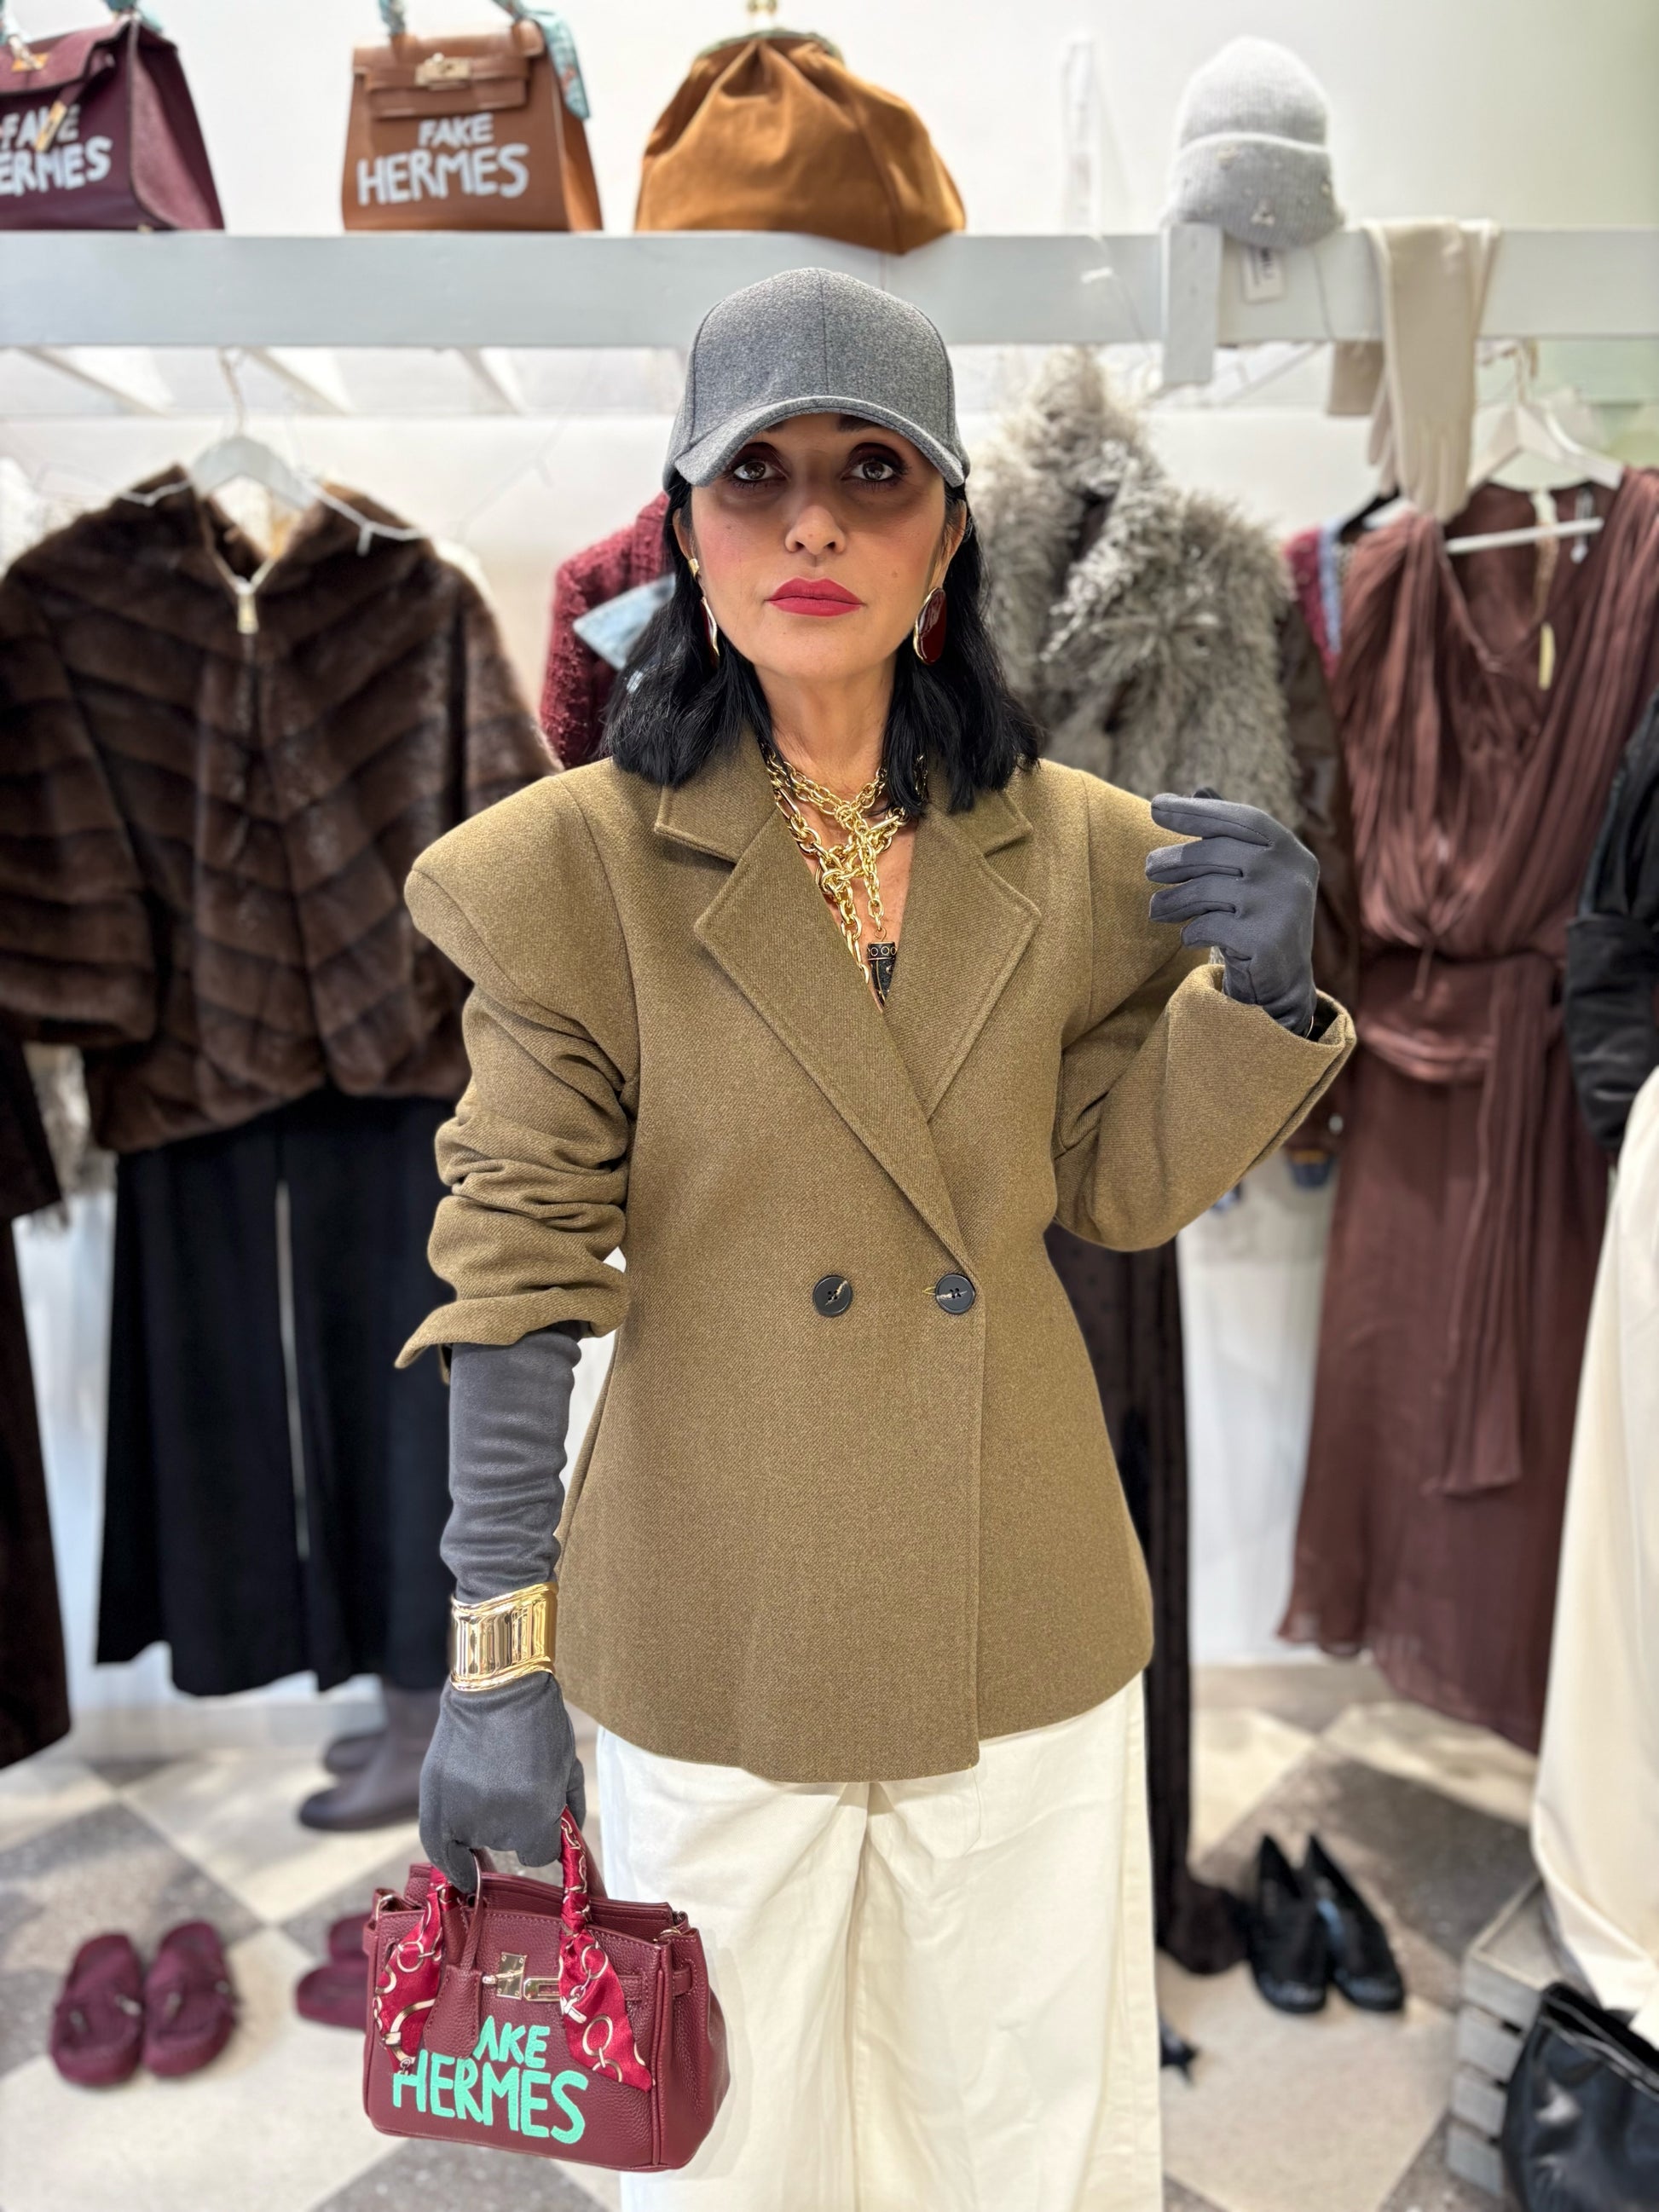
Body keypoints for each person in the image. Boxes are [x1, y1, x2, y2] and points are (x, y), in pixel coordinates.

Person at [399, 267, 1353, 2211]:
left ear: (948, 532)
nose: (814, 522)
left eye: (873, 471)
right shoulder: (572, 868)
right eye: (756, 473)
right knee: (734, 2144)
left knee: (1008, 2130)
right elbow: (514, 1274)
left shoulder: (1079, 844)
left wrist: (1257, 999)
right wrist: (496, 1663)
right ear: (684, 526)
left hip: (1015, 1588)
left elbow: (1111, 1187)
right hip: (719, 1610)